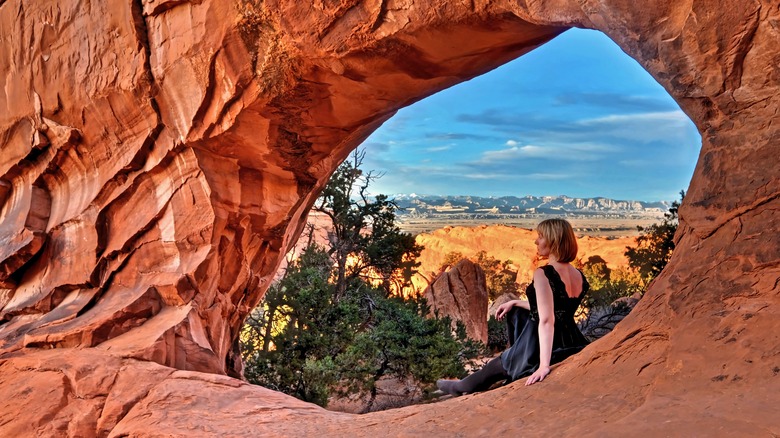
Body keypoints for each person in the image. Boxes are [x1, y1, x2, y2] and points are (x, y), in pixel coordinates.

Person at [437, 218, 590, 395]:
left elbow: (547, 319)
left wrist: (544, 366)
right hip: (572, 340)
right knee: (515, 318)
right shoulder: (578, 275)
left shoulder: (544, 273)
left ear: (554, 240)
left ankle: (461, 387)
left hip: (543, 343)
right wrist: (515, 302)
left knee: (501, 363)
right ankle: (465, 384)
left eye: (540, 236)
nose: (536, 241)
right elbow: (557, 308)